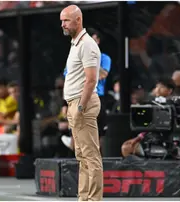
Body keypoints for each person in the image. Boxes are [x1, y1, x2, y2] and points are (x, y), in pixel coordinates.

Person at [60, 5, 103, 201]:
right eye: (62, 21)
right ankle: (84, 198)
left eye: (66, 20)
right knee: (82, 156)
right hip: (75, 102)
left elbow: (92, 80)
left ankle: (93, 199)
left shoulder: (86, 44)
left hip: (82, 103)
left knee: (90, 155)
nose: (63, 24)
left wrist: (80, 107)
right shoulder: (76, 43)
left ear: (79, 20)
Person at [61, 27, 112, 152]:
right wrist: (65, 103)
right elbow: (69, 80)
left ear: (97, 41)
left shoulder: (104, 58)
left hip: (96, 98)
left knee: (98, 136)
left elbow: (102, 75)